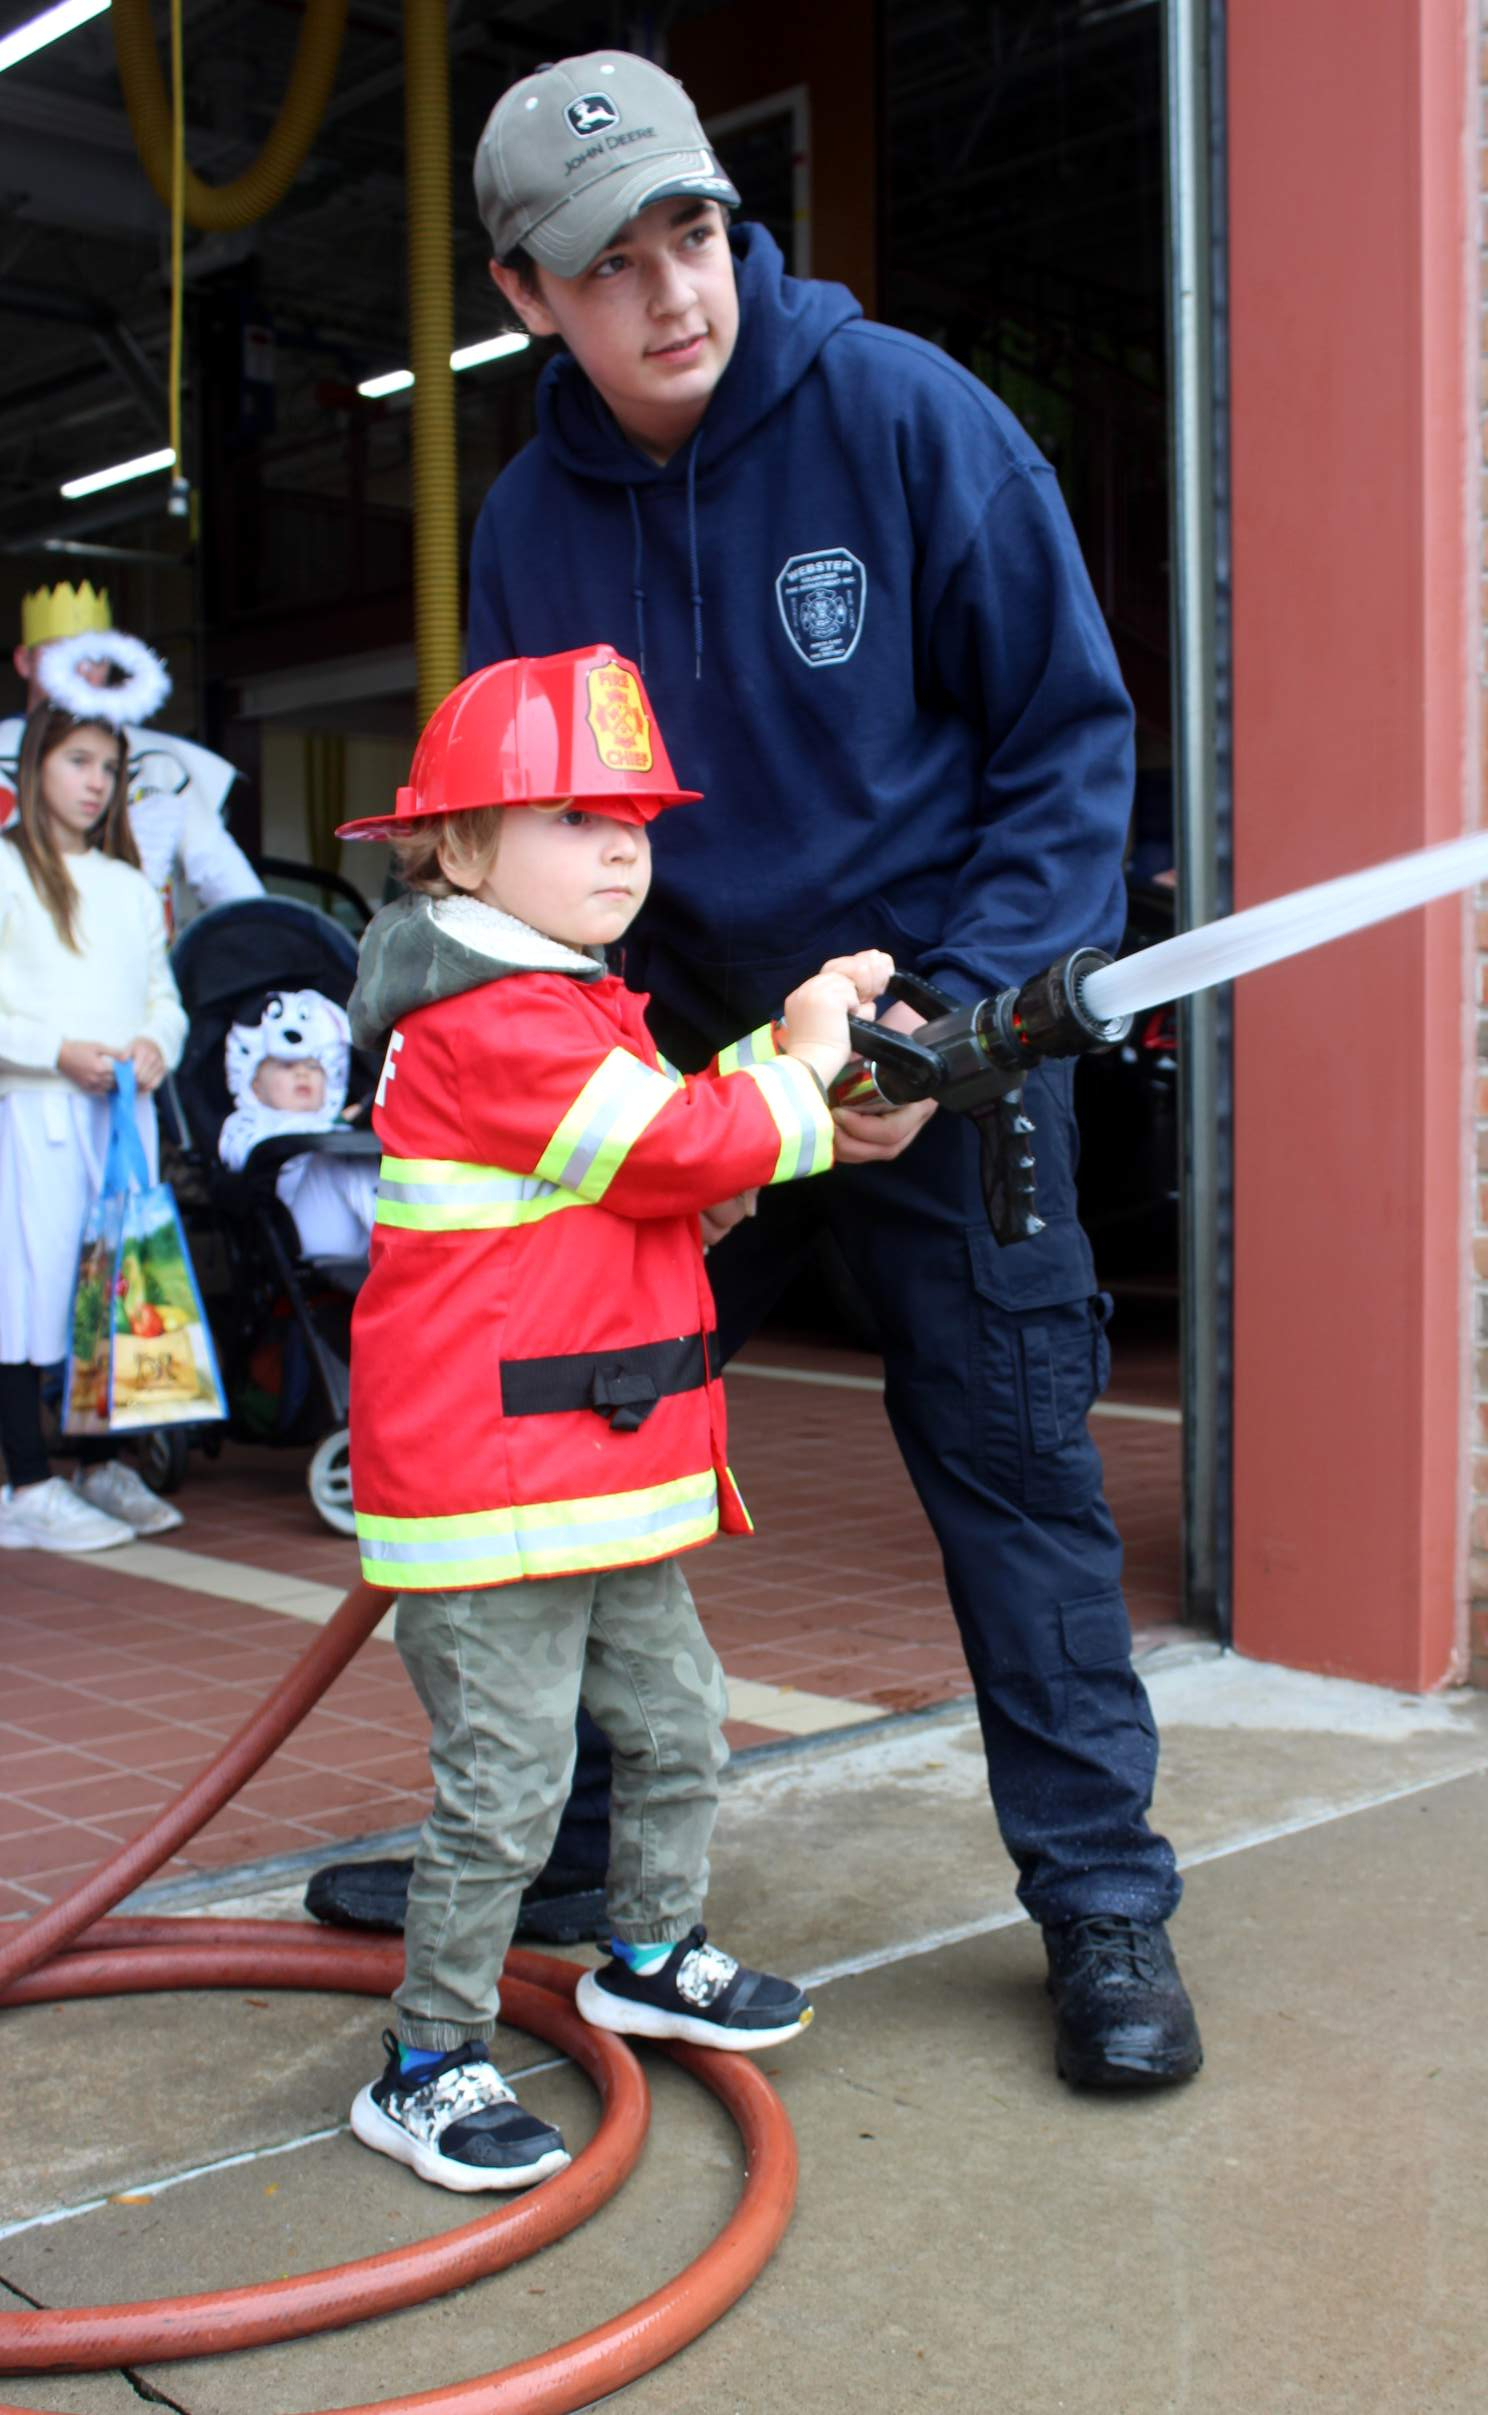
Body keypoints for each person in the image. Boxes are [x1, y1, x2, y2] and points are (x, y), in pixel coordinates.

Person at [453, 48, 1202, 2093]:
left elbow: (1064, 740)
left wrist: (928, 1026)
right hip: (690, 1071)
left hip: (942, 1046)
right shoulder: (528, 524)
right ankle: (562, 1848)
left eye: (690, 231)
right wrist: (584, 1054)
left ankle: (1104, 1905)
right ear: (530, 296)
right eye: (611, 264)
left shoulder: (904, 417)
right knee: (584, 1463)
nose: (672, 288)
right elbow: (535, 842)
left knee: (1020, 1473)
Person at [335, 646, 889, 2192]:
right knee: (508, 1786)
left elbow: (654, 1141)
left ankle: (645, 1948)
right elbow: (656, 1151)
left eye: (636, 814)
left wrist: (786, 1050)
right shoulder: (483, 1018)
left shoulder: (566, 1001)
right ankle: (428, 2061)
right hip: (496, 1488)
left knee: (670, 1724)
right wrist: (801, 1076)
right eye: (575, 811)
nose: (624, 843)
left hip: (592, 1472)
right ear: (455, 848)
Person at [0, 703, 189, 1551]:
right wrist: (52, 1050)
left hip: (119, 1113)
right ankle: (28, 1478)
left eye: (108, 769)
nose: (95, 783)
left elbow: (163, 995)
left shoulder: (125, 886)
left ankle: (104, 1461)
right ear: (36, 762)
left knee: (116, 1285)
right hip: (32, 1111)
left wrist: (156, 1044)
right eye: (78, 761)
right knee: (24, 1294)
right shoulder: (4, 872)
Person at [1, 584, 262, 929]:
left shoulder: (160, 762)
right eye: (61, 653)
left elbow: (227, 881)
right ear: (24, 661)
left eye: (95, 657)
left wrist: (271, 938)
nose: (80, 671)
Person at [219, 990, 379, 1261]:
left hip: (355, 1227)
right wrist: (334, 1129)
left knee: (367, 1157)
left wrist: (342, 1125)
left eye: (313, 1067)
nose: (302, 1073)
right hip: (299, 1224)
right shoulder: (245, 1123)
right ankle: (408, 1252)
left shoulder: (332, 1123)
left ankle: (411, 1244)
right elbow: (240, 1156)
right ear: (254, 1084)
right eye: (287, 1065)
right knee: (334, 1159)